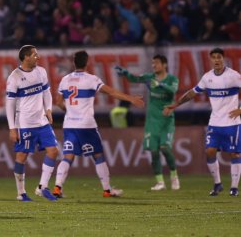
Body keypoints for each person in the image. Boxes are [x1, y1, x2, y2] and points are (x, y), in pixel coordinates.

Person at [52, 50, 144, 198]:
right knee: (98, 155)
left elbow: (58, 102)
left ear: (73, 62)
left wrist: (69, 110)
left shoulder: (65, 80)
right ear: (87, 62)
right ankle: (107, 190)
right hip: (86, 125)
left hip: (69, 125)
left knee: (67, 156)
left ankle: (57, 187)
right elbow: (112, 92)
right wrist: (131, 99)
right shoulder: (92, 79)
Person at [164, 48, 241, 196]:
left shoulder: (233, 76)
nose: (216, 60)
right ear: (210, 60)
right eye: (214, 58)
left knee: (235, 154)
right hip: (215, 123)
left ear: (223, 59)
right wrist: (175, 105)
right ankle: (217, 184)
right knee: (209, 151)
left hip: (232, 122)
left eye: (219, 57)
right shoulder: (207, 78)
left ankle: (234, 187)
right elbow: (192, 93)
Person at [116, 55, 180, 191]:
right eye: (153, 63)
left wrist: (160, 84)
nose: (154, 65)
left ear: (164, 65)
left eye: (156, 63)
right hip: (152, 120)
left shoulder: (172, 79)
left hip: (166, 120)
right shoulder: (149, 77)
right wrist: (125, 73)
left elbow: (172, 91)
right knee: (154, 151)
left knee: (165, 148)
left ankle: (174, 177)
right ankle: (160, 182)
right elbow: (135, 78)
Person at [5, 45, 59, 201]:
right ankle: (21, 193)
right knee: (22, 156)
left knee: (53, 151)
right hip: (25, 123)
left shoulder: (41, 71)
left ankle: (42, 187)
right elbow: (10, 104)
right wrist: (12, 128)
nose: (38, 56)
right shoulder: (14, 77)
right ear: (26, 57)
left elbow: (46, 92)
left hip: (42, 121)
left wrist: (48, 109)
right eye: (35, 54)